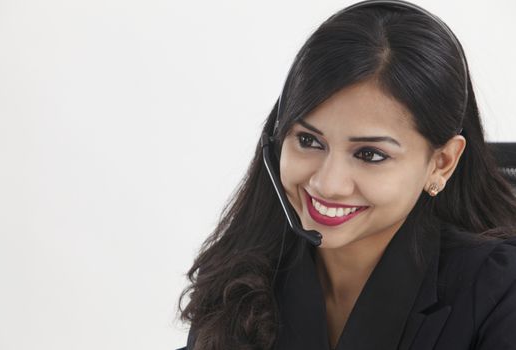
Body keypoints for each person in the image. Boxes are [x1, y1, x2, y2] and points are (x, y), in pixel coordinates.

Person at [176, 0, 516, 349]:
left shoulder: (500, 293)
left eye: (369, 154)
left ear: (442, 162)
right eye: (308, 140)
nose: (327, 183)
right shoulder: (241, 278)